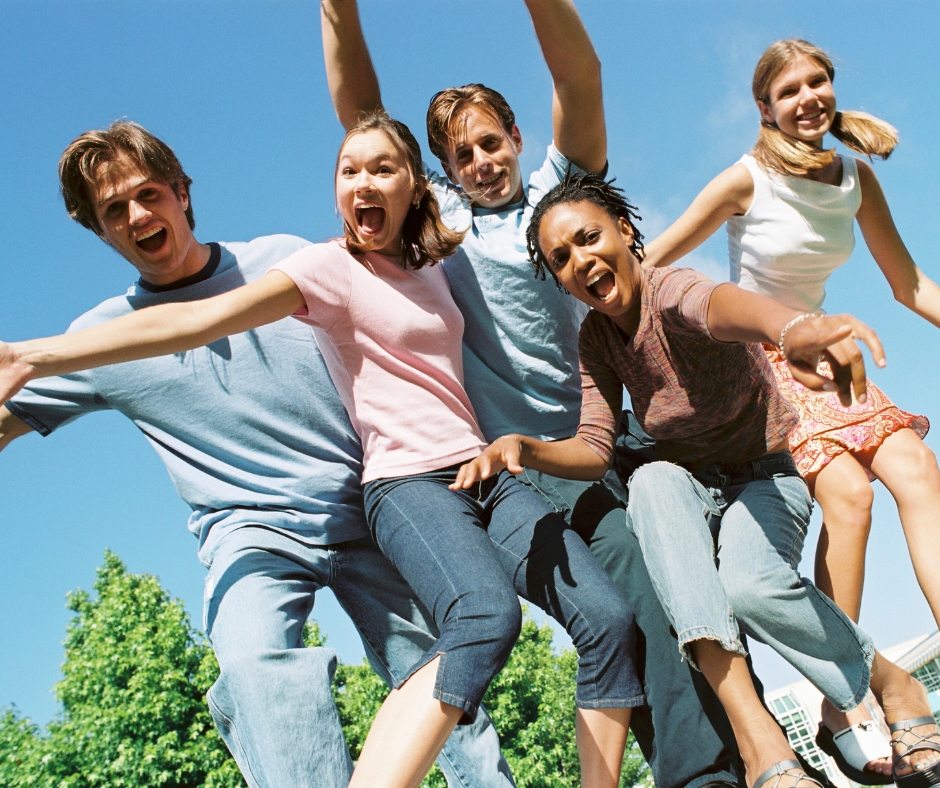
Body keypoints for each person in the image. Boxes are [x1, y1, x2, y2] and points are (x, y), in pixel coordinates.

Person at [0, 113, 643, 788]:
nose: (136, 215)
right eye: (114, 210)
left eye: (148, 194)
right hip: (262, 527)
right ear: (98, 229)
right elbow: (181, 325)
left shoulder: (290, 255)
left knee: (455, 658)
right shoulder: (114, 333)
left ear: (180, 193)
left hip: (364, 502)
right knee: (259, 666)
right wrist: (30, 354)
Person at [320, 1, 748, 785]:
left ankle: (779, 740)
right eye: (463, 155)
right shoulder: (440, 226)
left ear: (517, 140)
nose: (482, 162)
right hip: (536, 463)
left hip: (615, 435)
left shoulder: (559, 196)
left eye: (492, 143)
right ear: (441, 174)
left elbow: (578, 77)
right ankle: (704, 774)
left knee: (695, 591)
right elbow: (366, 123)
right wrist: (338, 14)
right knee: (635, 594)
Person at [452, 170, 940, 788]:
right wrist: (525, 447)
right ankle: (761, 743)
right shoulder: (597, 339)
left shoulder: (672, 290)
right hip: (691, 487)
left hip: (764, 478)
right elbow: (596, 450)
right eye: (561, 257)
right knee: (652, 480)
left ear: (625, 231)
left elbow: (725, 308)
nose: (580, 260)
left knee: (752, 587)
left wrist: (793, 330)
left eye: (588, 238)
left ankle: (893, 686)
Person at [641, 38, 940, 784]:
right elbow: (653, 265)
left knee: (916, 466)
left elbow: (908, 285)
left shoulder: (856, 180)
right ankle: (844, 696)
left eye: (820, 82)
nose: (809, 97)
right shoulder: (746, 178)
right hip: (767, 362)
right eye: (791, 89)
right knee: (847, 498)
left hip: (828, 349)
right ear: (765, 109)